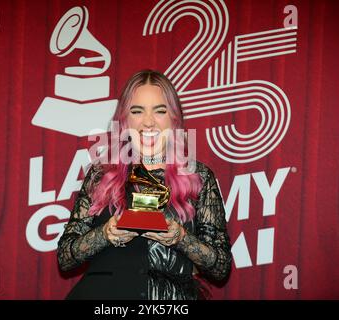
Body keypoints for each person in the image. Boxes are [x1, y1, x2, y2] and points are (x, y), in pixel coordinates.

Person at [57, 69, 232, 300]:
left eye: (160, 111)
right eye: (137, 111)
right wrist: (105, 233)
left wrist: (181, 238)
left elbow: (221, 267)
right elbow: (65, 257)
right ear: (124, 120)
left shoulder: (198, 176)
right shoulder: (101, 175)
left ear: (174, 119)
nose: (148, 121)